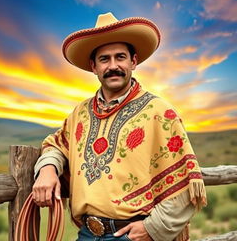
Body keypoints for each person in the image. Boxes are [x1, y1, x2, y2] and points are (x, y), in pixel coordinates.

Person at [32, 12, 207, 241]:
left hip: (134, 235)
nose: (113, 66)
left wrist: (152, 229)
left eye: (120, 57)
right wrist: (47, 170)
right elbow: (57, 145)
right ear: (93, 66)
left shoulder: (159, 112)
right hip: (86, 234)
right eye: (104, 59)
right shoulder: (80, 113)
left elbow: (185, 184)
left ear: (133, 62)